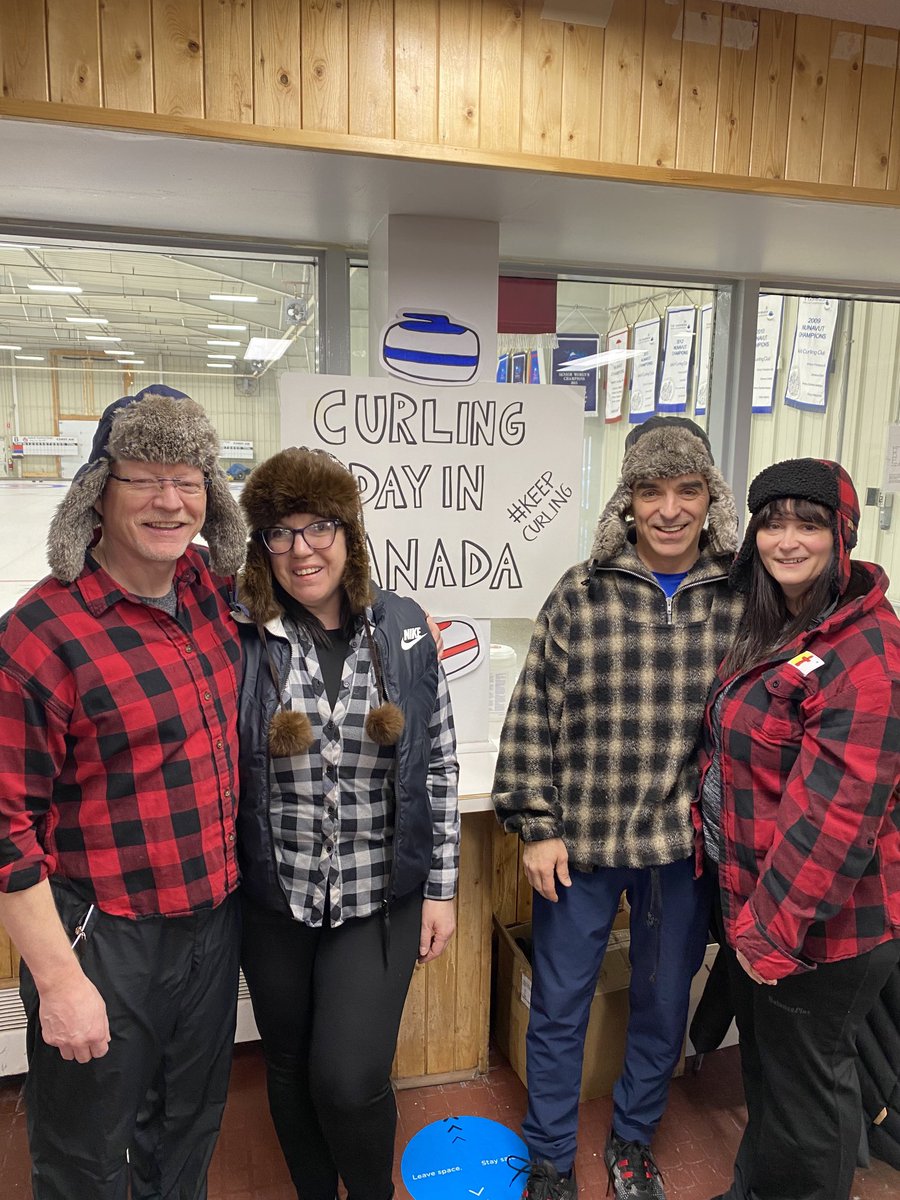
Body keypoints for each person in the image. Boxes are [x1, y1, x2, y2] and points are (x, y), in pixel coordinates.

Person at [0, 385, 248, 1199]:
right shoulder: (43, 631)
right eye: (145, 476)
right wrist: (61, 984)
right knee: (87, 1152)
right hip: (101, 937)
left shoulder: (211, 592)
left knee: (188, 1127)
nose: (170, 500)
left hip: (211, 921)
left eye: (189, 478)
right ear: (98, 492)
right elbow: (5, 826)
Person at [493, 416, 744, 1200]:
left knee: (664, 1004)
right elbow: (533, 709)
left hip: (682, 848)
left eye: (687, 490)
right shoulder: (581, 591)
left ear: (711, 499)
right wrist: (536, 826)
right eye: (650, 491)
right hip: (584, 842)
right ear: (626, 502)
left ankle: (632, 1140)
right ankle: (551, 1156)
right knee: (561, 1006)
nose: (669, 509)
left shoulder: (742, 598)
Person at [234, 446, 459, 1200]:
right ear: (260, 544)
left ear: (350, 532)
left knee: (349, 1075)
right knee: (291, 1064)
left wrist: (443, 889)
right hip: (276, 899)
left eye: (319, 526)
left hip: (377, 898)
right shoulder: (244, 635)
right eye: (280, 531)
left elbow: (439, 763)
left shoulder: (402, 628)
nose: (302, 549)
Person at [695, 458, 900, 1200]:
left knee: (806, 1098)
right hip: (763, 908)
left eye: (807, 524)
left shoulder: (865, 651)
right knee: (776, 1081)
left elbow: (838, 819)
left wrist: (770, 935)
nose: (787, 539)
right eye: (772, 522)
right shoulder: (784, 624)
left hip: (818, 931)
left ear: (841, 533)